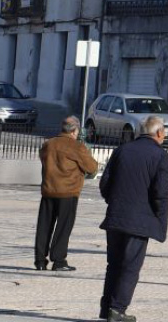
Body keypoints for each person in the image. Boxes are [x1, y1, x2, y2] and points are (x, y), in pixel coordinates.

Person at [98, 115, 168, 322]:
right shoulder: (161, 156)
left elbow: (105, 184)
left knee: (114, 264)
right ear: (158, 133)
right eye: (164, 132)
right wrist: (160, 223)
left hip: (116, 217)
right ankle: (117, 309)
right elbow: (160, 193)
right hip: (139, 221)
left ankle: (107, 309)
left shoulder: (122, 150)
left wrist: (114, 202)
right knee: (130, 267)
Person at [36, 115, 98, 272]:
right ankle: (58, 260)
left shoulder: (48, 144)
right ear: (75, 130)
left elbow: (44, 159)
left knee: (44, 226)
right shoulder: (76, 146)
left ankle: (40, 260)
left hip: (49, 190)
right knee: (63, 227)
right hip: (68, 192)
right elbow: (91, 168)